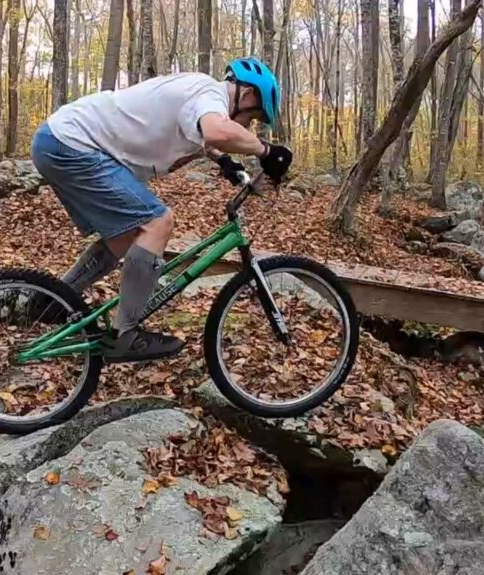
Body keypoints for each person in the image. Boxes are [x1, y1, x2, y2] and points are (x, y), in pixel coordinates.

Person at [30, 57, 294, 363]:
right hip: (73, 145)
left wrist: (225, 163)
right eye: (254, 116)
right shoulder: (208, 92)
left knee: (125, 238)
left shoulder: (200, 95)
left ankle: (50, 303)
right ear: (247, 94)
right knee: (158, 222)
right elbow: (215, 131)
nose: (248, 125)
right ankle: (125, 336)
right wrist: (267, 150)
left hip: (58, 140)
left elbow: (205, 138)